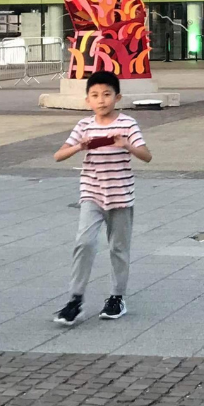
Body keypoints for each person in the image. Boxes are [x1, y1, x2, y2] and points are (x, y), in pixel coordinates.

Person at [52, 70, 152, 325]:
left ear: (117, 97)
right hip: (92, 195)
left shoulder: (127, 124)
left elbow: (146, 155)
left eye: (107, 94)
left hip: (120, 196)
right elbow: (58, 155)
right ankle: (75, 299)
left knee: (119, 248)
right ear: (88, 100)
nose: (101, 100)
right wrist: (79, 146)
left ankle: (116, 297)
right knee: (84, 243)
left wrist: (125, 145)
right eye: (95, 95)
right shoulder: (84, 126)